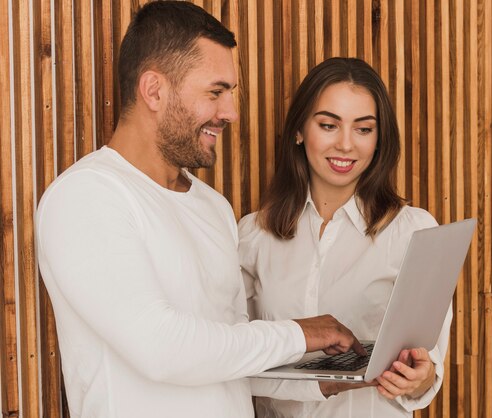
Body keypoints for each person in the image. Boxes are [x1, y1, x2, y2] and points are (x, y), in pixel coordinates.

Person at [35, 3, 364, 417]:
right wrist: (301, 333)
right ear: (153, 90)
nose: (230, 113)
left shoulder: (214, 208)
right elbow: (162, 349)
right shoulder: (86, 197)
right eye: (215, 92)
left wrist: (325, 380)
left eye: (230, 93)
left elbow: (229, 355)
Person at [238, 57, 453, 417]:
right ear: (299, 130)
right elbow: (229, 362)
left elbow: (429, 370)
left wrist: (420, 377)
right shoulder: (253, 236)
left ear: (379, 139)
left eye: (363, 129)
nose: (346, 144)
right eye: (328, 125)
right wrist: (322, 383)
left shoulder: (414, 232)